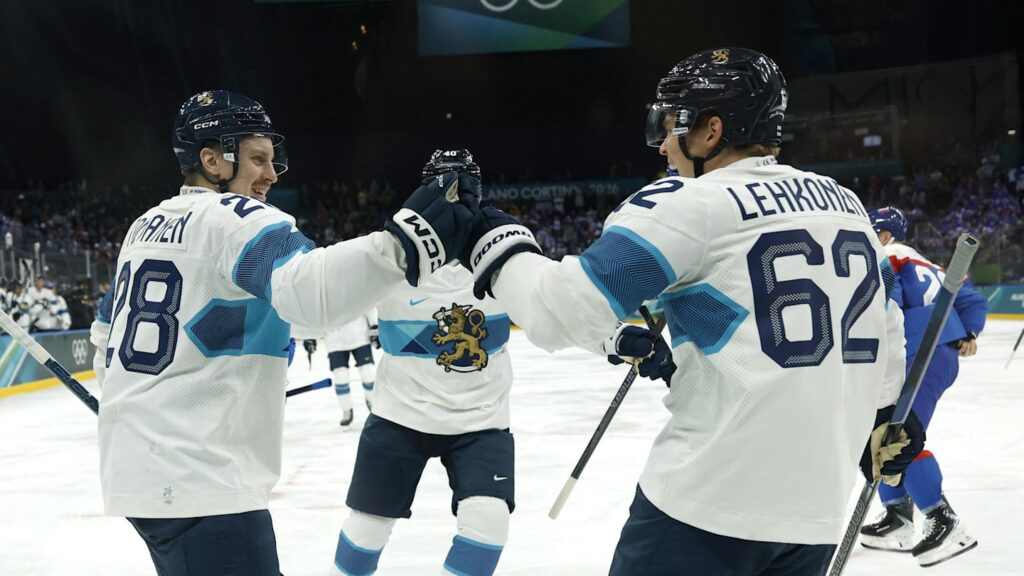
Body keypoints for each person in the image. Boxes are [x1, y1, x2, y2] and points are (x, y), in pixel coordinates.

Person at [455, 47, 925, 575]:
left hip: (705, 506)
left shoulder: (689, 204)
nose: (663, 145)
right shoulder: (846, 205)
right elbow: (886, 322)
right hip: (815, 516)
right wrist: (885, 416)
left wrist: (495, 243)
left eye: (671, 124)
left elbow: (560, 311)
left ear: (711, 130)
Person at [88, 90, 479, 576]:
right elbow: (313, 298)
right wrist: (406, 244)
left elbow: (104, 339)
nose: (272, 174)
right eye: (258, 159)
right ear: (211, 159)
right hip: (202, 479)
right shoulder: (234, 220)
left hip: (142, 472)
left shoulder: (144, 227)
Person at [333, 149, 520, 576]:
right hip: (399, 417)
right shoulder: (391, 256)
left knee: (489, 523)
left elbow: (554, 305)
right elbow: (323, 298)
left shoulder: (504, 256)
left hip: (481, 421)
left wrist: (613, 336)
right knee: (366, 528)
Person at [860, 207, 987, 566]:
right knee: (885, 431)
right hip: (938, 352)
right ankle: (897, 515)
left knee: (895, 434)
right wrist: (969, 332)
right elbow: (971, 300)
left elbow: (887, 304)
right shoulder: (933, 266)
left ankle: (941, 518)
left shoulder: (885, 256)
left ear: (884, 235)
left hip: (915, 350)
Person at [326, 309, 379, 426]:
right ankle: (346, 410)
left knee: (368, 372)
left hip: (360, 337)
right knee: (340, 376)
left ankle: (373, 403)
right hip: (334, 339)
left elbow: (369, 304)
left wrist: (374, 326)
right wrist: (310, 336)